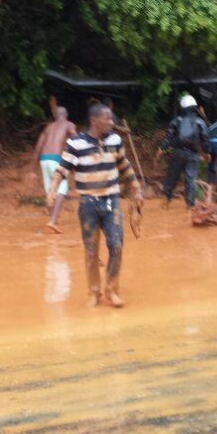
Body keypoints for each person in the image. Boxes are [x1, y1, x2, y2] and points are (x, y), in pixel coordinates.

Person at [47, 104, 144, 308]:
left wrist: (136, 190)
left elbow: (124, 166)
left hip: (112, 202)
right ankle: (94, 292)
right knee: (91, 250)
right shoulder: (76, 144)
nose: (111, 122)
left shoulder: (115, 141)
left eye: (111, 119)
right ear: (94, 121)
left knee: (116, 246)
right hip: (88, 204)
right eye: (107, 119)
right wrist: (53, 190)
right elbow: (63, 169)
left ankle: (112, 290)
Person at [33, 106, 77, 233]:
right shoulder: (69, 124)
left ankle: (53, 220)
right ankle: (52, 221)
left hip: (44, 159)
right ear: (66, 115)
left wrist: (32, 168)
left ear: (55, 116)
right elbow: (76, 138)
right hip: (56, 159)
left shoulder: (48, 127)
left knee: (49, 188)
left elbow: (39, 145)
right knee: (62, 188)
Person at [160, 94, 208, 208]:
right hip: (193, 154)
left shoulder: (177, 121)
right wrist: (207, 152)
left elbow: (169, 137)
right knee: (191, 179)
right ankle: (190, 204)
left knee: (172, 176)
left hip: (178, 152)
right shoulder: (200, 122)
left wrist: (162, 148)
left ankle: (167, 199)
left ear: (182, 108)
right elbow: (205, 139)